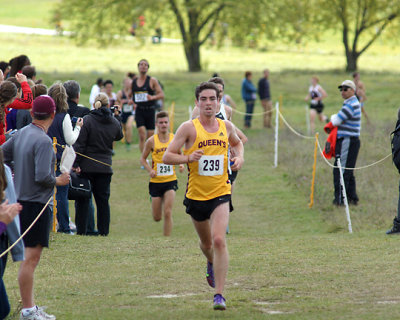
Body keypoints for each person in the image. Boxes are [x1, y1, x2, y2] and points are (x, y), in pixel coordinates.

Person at [163, 82, 244, 310]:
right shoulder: (188, 128)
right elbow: (168, 156)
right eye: (204, 99)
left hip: (221, 192)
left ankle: (219, 295)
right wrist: (188, 158)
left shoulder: (226, 126)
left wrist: (239, 159)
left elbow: (238, 144)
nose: (208, 103)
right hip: (197, 195)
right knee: (207, 244)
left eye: (213, 99)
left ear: (219, 102)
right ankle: (210, 261)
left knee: (219, 240)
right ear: (197, 103)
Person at [3, 95, 70, 320]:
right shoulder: (42, 140)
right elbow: (43, 176)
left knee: (29, 259)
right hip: (36, 205)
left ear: (32, 113)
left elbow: (3, 153)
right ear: (53, 115)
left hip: (20, 201)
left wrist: (15, 171)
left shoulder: (21, 133)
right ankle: (28, 310)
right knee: (30, 260)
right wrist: (59, 180)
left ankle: (30, 306)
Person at [73, 93, 123, 236]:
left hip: (87, 167)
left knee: (83, 201)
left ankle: (82, 231)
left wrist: (76, 163)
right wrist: (117, 116)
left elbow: (80, 144)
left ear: (94, 104)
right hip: (105, 166)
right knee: (103, 202)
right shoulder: (113, 122)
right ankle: (103, 232)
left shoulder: (88, 120)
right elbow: (119, 135)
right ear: (108, 105)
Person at [140, 111, 184, 236]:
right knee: (157, 217)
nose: (164, 125)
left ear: (169, 124)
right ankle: (153, 199)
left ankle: (166, 240)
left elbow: (180, 154)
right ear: (156, 125)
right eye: (161, 123)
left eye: (166, 122)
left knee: (168, 212)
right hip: (156, 182)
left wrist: (181, 164)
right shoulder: (151, 141)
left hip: (170, 180)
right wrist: (150, 170)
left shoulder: (174, 138)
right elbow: (143, 159)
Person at [48, 82, 83, 234]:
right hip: (60, 159)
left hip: (46, 157)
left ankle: (51, 225)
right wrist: (78, 127)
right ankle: (64, 226)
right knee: (61, 193)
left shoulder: (47, 115)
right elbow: (70, 139)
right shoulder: (64, 116)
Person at [331, 80, 361, 206]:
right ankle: (352, 198)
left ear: (353, 91)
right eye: (341, 89)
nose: (342, 91)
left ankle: (340, 200)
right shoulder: (350, 103)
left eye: (345, 89)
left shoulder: (351, 105)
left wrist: (332, 117)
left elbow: (336, 120)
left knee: (341, 170)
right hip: (350, 140)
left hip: (348, 140)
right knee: (348, 169)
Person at [132, 59, 164, 152]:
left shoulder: (152, 80)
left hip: (150, 110)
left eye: (145, 65)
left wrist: (152, 97)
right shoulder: (134, 82)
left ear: (148, 68)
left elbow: (161, 94)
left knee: (150, 136)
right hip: (139, 110)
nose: (143, 66)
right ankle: (143, 159)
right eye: (141, 64)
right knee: (142, 134)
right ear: (138, 67)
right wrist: (131, 101)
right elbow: (131, 96)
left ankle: (150, 155)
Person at [116, 77, 135, 151]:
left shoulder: (133, 93)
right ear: (123, 84)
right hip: (122, 113)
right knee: (124, 129)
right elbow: (117, 104)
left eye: (129, 83)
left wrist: (133, 104)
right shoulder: (120, 93)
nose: (128, 85)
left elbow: (136, 103)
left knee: (129, 126)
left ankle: (128, 144)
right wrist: (121, 102)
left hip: (130, 113)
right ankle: (126, 143)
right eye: (126, 83)